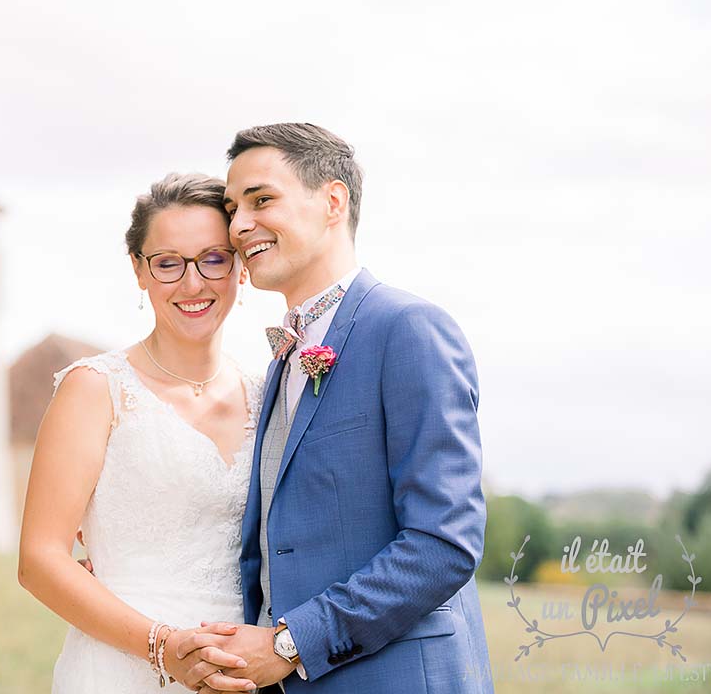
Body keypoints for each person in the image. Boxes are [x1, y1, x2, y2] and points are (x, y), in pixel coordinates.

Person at [176, 123, 493, 693]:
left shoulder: (407, 330)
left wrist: (288, 644)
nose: (239, 224)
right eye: (232, 207)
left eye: (261, 199)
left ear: (332, 201)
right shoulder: (279, 365)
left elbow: (443, 542)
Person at [19, 173, 262, 693]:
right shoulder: (95, 389)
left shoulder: (268, 397)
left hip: (242, 673)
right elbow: (40, 560)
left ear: (240, 268)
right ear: (139, 271)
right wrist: (162, 647)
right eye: (168, 263)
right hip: (120, 667)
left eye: (213, 258)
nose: (192, 284)